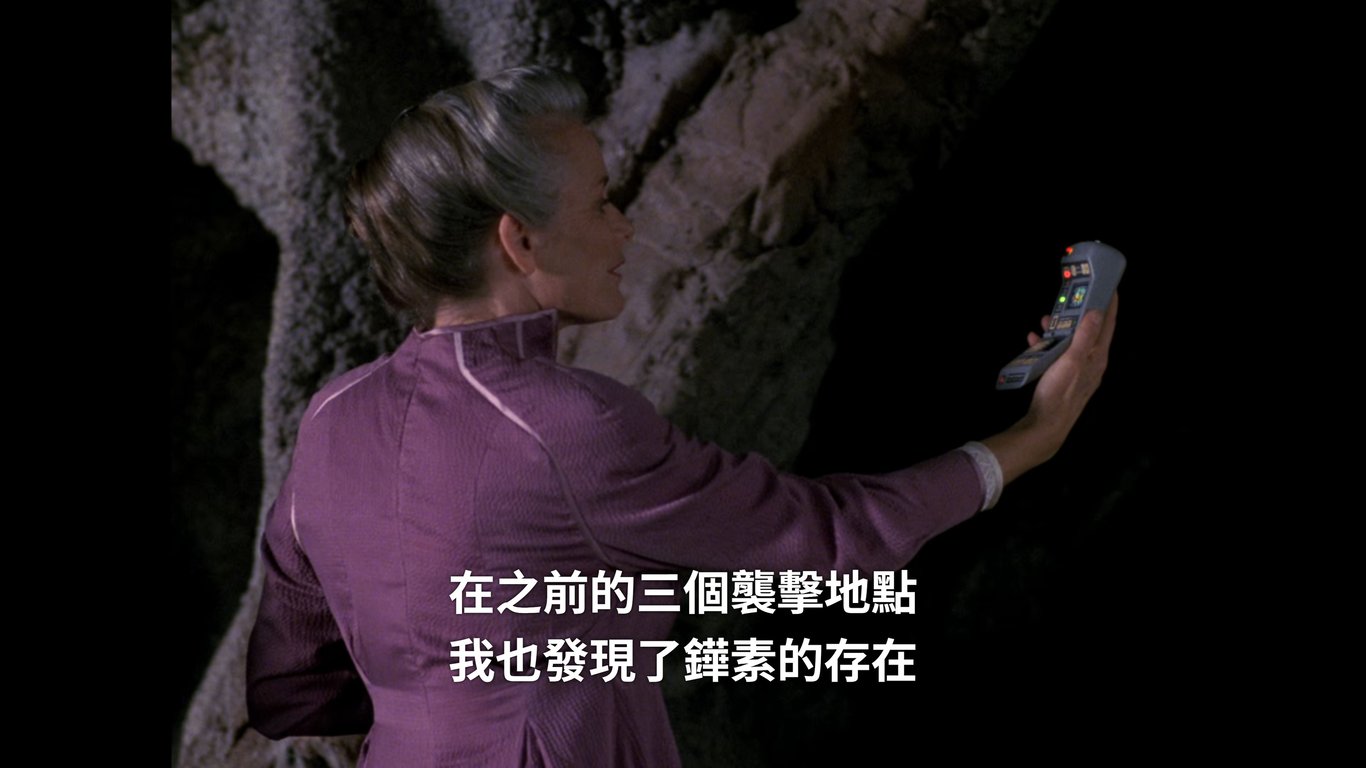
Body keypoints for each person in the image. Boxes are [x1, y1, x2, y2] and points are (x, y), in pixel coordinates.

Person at [246, 66, 1118, 766]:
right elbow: (834, 536)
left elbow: (291, 686)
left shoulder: (330, 421)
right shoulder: (565, 426)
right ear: (519, 240)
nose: (623, 229)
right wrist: (1032, 437)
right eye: (600, 202)